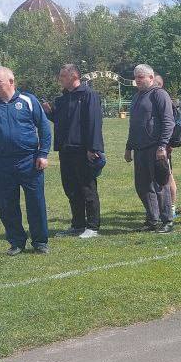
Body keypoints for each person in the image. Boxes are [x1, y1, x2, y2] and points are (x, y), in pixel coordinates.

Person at [0, 67, 51, 255]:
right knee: (6, 205)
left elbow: (44, 127)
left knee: (36, 203)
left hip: (29, 161)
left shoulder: (28, 100)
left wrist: (43, 154)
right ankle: (16, 242)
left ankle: (40, 242)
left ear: (11, 81)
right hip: (1, 164)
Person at [45, 64, 104, 239]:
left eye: (63, 76)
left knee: (87, 188)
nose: (60, 79)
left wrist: (92, 148)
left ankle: (92, 226)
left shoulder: (89, 95)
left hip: (83, 150)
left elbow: (94, 122)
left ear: (74, 76)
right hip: (66, 150)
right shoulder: (62, 98)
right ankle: (77, 225)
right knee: (71, 189)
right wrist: (50, 113)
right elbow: (62, 121)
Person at [124, 64, 175, 233]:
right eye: (136, 77)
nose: (137, 80)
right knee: (142, 186)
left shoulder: (159, 94)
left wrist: (162, 146)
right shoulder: (137, 97)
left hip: (155, 148)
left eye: (141, 77)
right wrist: (128, 147)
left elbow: (168, 122)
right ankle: (153, 219)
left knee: (161, 186)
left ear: (151, 78)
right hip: (139, 149)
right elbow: (133, 125)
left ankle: (167, 220)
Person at [155, 74, 181, 219]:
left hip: (164, 147)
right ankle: (159, 208)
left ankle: (171, 207)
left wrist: (168, 144)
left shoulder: (165, 101)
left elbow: (172, 125)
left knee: (168, 177)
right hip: (154, 146)